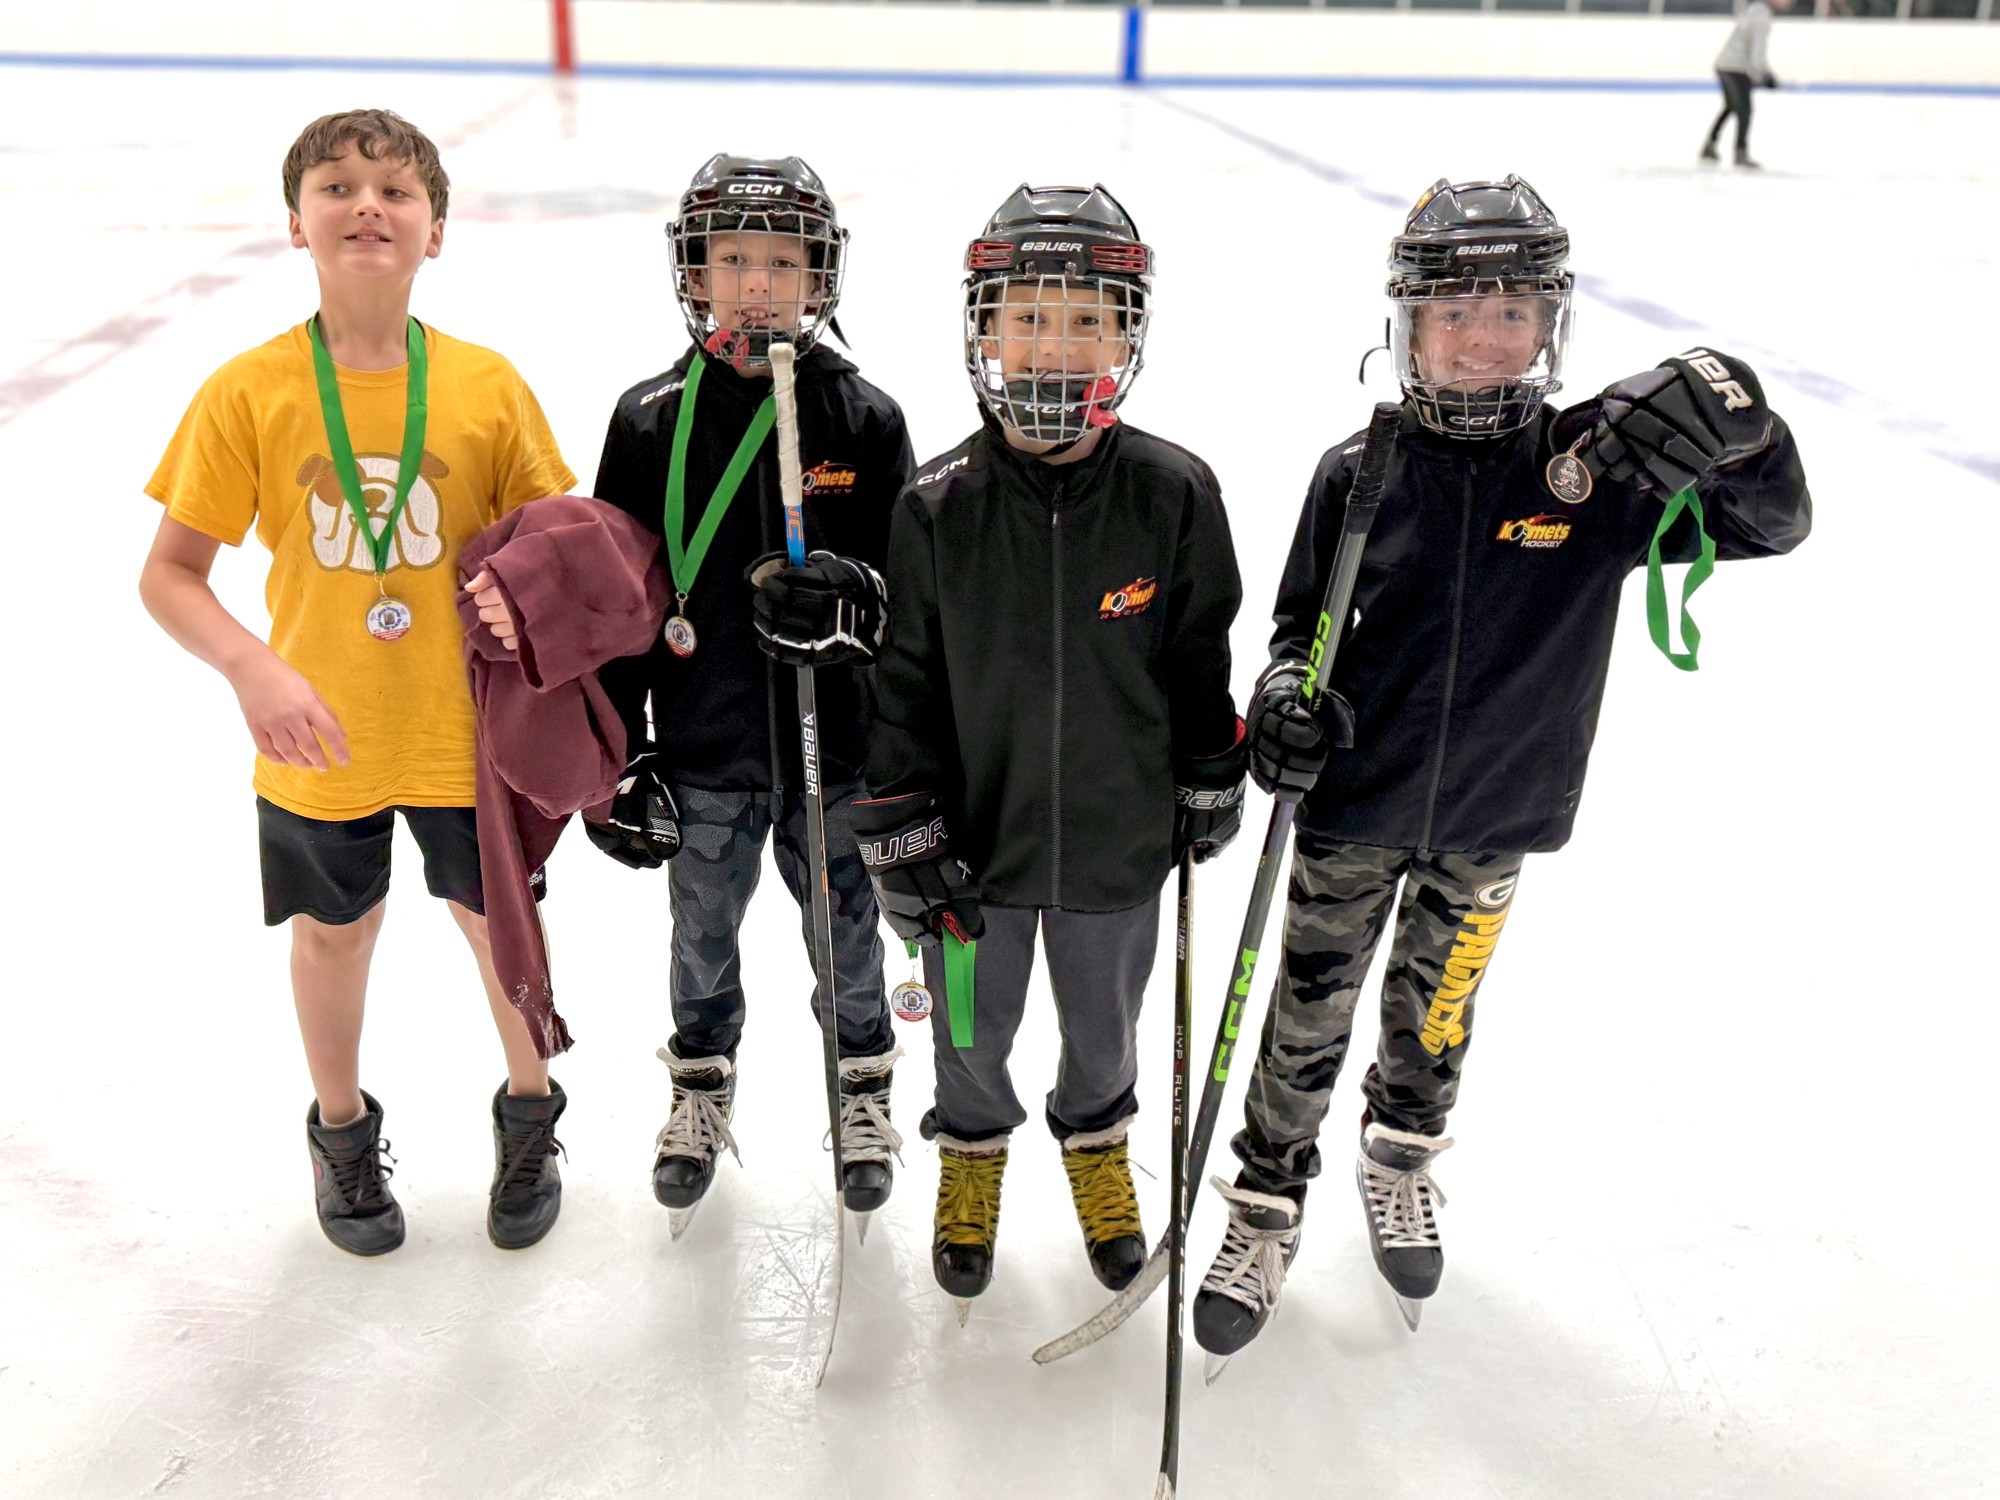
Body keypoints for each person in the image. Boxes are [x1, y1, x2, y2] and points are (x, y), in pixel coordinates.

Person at [1192, 175, 1811, 1354]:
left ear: (1551, 325)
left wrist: (1749, 433)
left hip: (1496, 812)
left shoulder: (1602, 471)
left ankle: (1399, 1152)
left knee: (1438, 1007)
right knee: (1307, 1011)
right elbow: (1294, 630)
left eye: (1513, 314)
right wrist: (1279, 700)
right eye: (1455, 314)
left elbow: (1767, 526)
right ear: (1407, 324)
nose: (1482, 341)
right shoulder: (1357, 471)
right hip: (1354, 809)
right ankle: (1266, 1197)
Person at [138, 109, 578, 1257]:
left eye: (396, 190)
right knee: (333, 936)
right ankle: (340, 1132)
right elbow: (170, 576)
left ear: (436, 230)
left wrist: (525, 600)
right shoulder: (251, 390)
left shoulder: (485, 385)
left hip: (466, 731)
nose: (366, 205)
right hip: (316, 736)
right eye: (335, 186)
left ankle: (530, 1113)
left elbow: (555, 549)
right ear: (297, 224)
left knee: (496, 930)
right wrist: (253, 669)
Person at [859, 184, 1246, 1305]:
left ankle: (1097, 1148)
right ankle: (972, 1156)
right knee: (970, 1033)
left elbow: (1198, 659)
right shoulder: (935, 502)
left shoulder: (1175, 491)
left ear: (1126, 337)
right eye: (1027, 316)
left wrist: (1210, 768)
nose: (1055, 343)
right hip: (972, 853)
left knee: (1105, 1032)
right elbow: (904, 687)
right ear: (983, 328)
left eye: (1087, 320)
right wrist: (903, 823)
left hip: (1117, 848)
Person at [582, 155, 915, 1229]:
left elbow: (912, 597)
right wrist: (620, 750)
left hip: (837, 756)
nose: (756, 284)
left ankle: (861, 1090)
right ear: (693, 272)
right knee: (699, 937)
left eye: (781, 261)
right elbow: (620, 602)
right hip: (705, 751)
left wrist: (856, 604)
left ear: (821, 277)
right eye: (732, 260)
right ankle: (700, 1084)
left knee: (848, 938)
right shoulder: (647, 420)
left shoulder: (863, 418)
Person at [1702, 0, 1790, 169]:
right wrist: (1765, 75)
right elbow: (1757, 51)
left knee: (1731, 106)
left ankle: (1709, 145)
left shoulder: (1754, 10)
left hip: (1726, 65)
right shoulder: (1761, 17)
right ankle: (1740, 154)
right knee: (1745, 110)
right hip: (1735, 68)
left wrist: (1762, 75)